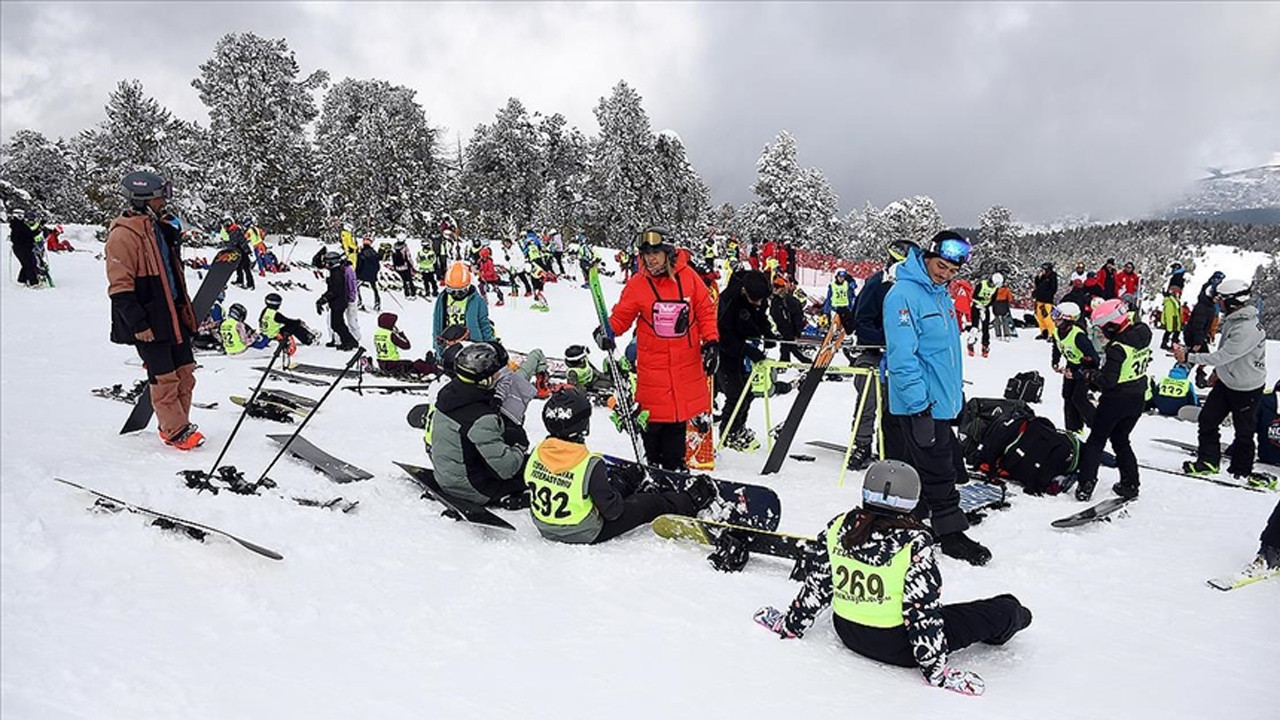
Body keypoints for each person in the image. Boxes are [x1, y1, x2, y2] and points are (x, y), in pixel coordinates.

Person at [754, 460, 1032, 697]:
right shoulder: (913, 544)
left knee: (971, 615)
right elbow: (921, 612)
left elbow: (817, 585)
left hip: (848, 631)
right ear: (912, 502)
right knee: (1004, 609)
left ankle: (1007, 616)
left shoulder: (839, 526)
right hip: (898, 646)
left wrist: (789, 625)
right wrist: (937, 673)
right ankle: (1016, 616)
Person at [882, 230, 991, 565]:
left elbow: (944, 352)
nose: (945, 273)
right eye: (941, 265)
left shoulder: (941, 295)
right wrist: (919, 407)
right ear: (927, 256)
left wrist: (954, 398)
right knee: (940, 468)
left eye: (952, 270)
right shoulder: (903, 295)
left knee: (920, 465)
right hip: (920, 403)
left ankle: (910, 522)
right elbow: (902, 357)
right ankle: (951, 534)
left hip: (941, 400)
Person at [594, 226, 719, 470]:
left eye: (656, 252)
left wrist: (712, 342)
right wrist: (606, 332)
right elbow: (621, 317)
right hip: (654, 374)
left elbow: (705, 311)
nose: (650, 258)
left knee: (676, 431)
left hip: (685, 371)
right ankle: (652, 476)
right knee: (652, 431)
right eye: (645, 253)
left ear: (669, 252)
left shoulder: (689, 277)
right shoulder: (638, 284)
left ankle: (674, 478)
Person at [524, 387, 715, 544]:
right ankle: (692, 500)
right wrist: (627, 492)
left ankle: (625, 480)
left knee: (600, 488)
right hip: (583, 531)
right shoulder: (589, 464)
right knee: (647, 503)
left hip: (545, 526)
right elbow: (613, 511)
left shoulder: (536, 453)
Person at [106, 170, 204, 450]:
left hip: (173, 314)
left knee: (186, 372)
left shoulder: (158, 227)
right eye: (162, 196)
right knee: (164, 378)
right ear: (143, 199)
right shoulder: (123, 236)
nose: (165, 202)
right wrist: (138, 323)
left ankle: (180, 423)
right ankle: (174, 431)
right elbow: (119, 287)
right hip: (150, 319)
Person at [1174, 279, 1267, 483]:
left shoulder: (1246, 329)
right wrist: (1218, 373)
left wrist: (1188, 357)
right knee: (1208, 420)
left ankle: (1241, 471)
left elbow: (1223, 355)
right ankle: (1208, 461)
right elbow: (1227, 357)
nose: (1218, 302)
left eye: (1221, 299)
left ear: (1232, 302)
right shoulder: (1235, 319)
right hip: (1227, 381)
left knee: (1244, 431)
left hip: (1246, 387)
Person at [1073, 298, 1152, 501]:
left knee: (1096, 441)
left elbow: (1108, 381)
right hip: (1137, 397)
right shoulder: (1142, 332)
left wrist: (1089, 375)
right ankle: (1130, 483)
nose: (1101, 333)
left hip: (1116, 400)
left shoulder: (1117, 348)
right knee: (1121, 440)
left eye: (1102, 329)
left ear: (1112, 325)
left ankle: (1085, 485)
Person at [431, 342, 529, 506]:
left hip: (446, 476)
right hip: (472, 489)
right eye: (496, 373)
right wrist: (520, 444)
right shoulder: (481, 416)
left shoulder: (451, 394)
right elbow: (507, 468)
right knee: (532, 468)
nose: (499, 376)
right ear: (485, 380)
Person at [846, 239, 915, 470]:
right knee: (868, 401)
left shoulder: (912, 289)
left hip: (900, 357)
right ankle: (861, 445)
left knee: (895, 407)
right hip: (874, 353)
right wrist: (884, 340)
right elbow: (861, 322)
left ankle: (891, 446)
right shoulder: (876, 284)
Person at [715, 269, 772, 451]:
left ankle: (738, 428)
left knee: (747, 393)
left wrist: (767, 333)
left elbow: (760, 315)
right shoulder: (729, 299)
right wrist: (745, 349)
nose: (758, 303)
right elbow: (722, 334)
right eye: (754, 299)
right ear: (744, 290)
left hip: (743, 349)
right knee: (736, 394)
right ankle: (727, 433)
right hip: (725, 352)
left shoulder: (760, 293)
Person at [1049, 301, 1100, 434]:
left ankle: (1097, 426)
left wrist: (1078, 373)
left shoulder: (1078, 336)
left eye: (1057, 316)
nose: (1053, 319)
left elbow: (1094, 359)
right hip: (1071, 365)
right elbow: (1057, 346)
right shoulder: (1057, 331)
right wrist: (1055, 362)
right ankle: (1073, 428)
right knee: (1067, 395)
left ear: (1068, 319)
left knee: (1079, 398)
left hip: (1085, 368)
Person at [432, 261, 496, 354]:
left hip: (471, 344)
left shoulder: (477, 301)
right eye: (452, 291)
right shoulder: (442, 299)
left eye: (461, 291)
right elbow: (437, 323)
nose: (456, 295)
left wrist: (491, 344)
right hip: (449, 344)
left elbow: (484, 324)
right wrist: (437, 347)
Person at [373, 312, 439, 377]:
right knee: (414, 365)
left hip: (382, 363)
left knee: (408, 363)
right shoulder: (390, 334)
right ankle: (433, 369)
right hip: (393, 364)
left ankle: (427, 365)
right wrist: (400, 334)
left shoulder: (377, 333)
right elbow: (406, 346)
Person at [316, 251, 359, 351]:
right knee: (336, 324)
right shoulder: (335, 271)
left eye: (327, 262)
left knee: (337, 324)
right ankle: (348, 341)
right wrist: (323, 299)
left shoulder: (337, 273)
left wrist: (324, 299)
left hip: (339, 302)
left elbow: (335, 290)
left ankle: (350, 341)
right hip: (337, 302)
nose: (326, 265)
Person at [768, 274, 811, 365]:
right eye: (774, 287)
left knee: (789, 347)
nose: (775, 289)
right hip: (781, 328)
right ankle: (788, 362)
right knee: (787, 347)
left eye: (777, 287)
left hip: (790, 329)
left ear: (783, 288)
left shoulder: (790, 301)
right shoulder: (775, 300)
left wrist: (797, 330)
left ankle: (804, 362)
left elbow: (797, 316)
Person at [6, 209, 44, 287]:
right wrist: (38, 230)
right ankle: (34, 283)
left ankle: (22, 280)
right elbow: (29, 234)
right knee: (30, 264)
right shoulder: (19, 225)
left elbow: (29, 233)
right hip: (22, 248)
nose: (23, 217)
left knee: (27, 264)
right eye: (21, 215)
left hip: (22, 248)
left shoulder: (18, 224)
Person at [220, 217, 255, 290]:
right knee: (238, 267)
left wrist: (225, 243)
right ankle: (240, 281)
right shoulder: (232, 231)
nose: (224, 228)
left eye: (225, 226)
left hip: (242, 251)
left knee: (246, 268)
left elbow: (234, 243)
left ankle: (250, 284)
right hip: (239, 251)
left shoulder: (234, 231)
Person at [971, 272, 999, 358]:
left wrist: (986, 305)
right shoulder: (982, 284)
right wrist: (982, 300)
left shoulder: (996, 288)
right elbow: (974, 296)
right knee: (975, 327)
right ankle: (971, 343)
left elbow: (993, 299)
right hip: (976, 306)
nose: (992, 286)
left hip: (985, 308)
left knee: (985, 328)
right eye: (992, 284)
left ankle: (985, 346)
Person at [823, 267, 857, 335]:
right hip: (835, 309)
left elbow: (851, 296)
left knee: (848, 325)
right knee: (835, 325)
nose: (841, 279)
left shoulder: (847, 285)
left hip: (845, 308)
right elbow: (829, 299)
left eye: (843, 277)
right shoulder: (832, 286)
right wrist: (826, 311)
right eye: (840, 277)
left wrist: (851, 308)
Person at [1032, 262, 1059, 340]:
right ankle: (1044, 332)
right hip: (1039, 300)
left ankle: (1051, 334)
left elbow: (1053, 289)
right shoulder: (1043, 277)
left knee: (1047, 318)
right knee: (1039, 317)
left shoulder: (1052, 277)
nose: (1042, 271)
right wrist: (1037, 277)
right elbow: (1038, 285)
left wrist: (1045, 295)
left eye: (1044, 269)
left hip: (1047, 301)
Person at [355, 237, 382, 311]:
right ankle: (377, 302)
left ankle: (359, 302)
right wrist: (375, 272)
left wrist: (356, 273)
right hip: (372, 274)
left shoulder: (361, 254)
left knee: (356, 287)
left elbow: (359, 265)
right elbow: (377, 265)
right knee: (374, 288)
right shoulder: (374, 253)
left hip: (362, 274)